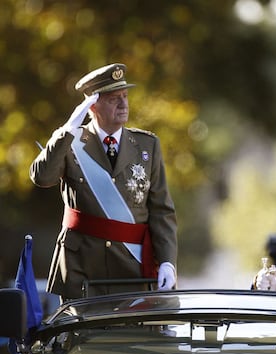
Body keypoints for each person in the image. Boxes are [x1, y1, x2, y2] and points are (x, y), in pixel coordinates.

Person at [30, 63, 177, 300]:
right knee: (80, 337)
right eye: (113, 99)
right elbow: (41, 177)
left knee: (135, 337)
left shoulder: (147, 145)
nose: (123, 104)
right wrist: (67, 131)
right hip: (82, 270)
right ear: (92, 106)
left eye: (125, 96)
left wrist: (168, 261)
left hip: (133, 268)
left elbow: (161, 211)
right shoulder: (69, 143)